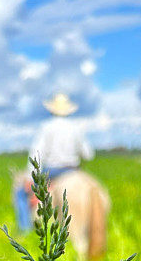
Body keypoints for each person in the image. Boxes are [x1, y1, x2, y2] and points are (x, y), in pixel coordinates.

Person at [15, 93, 94, 231]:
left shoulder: (47, 127)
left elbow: (36, 154)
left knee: (21, 192)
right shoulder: (76, 128)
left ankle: (24, 231)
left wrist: (30, 176)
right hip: (73, 170)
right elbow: (88, 154)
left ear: (52, 109)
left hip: (53, 171)